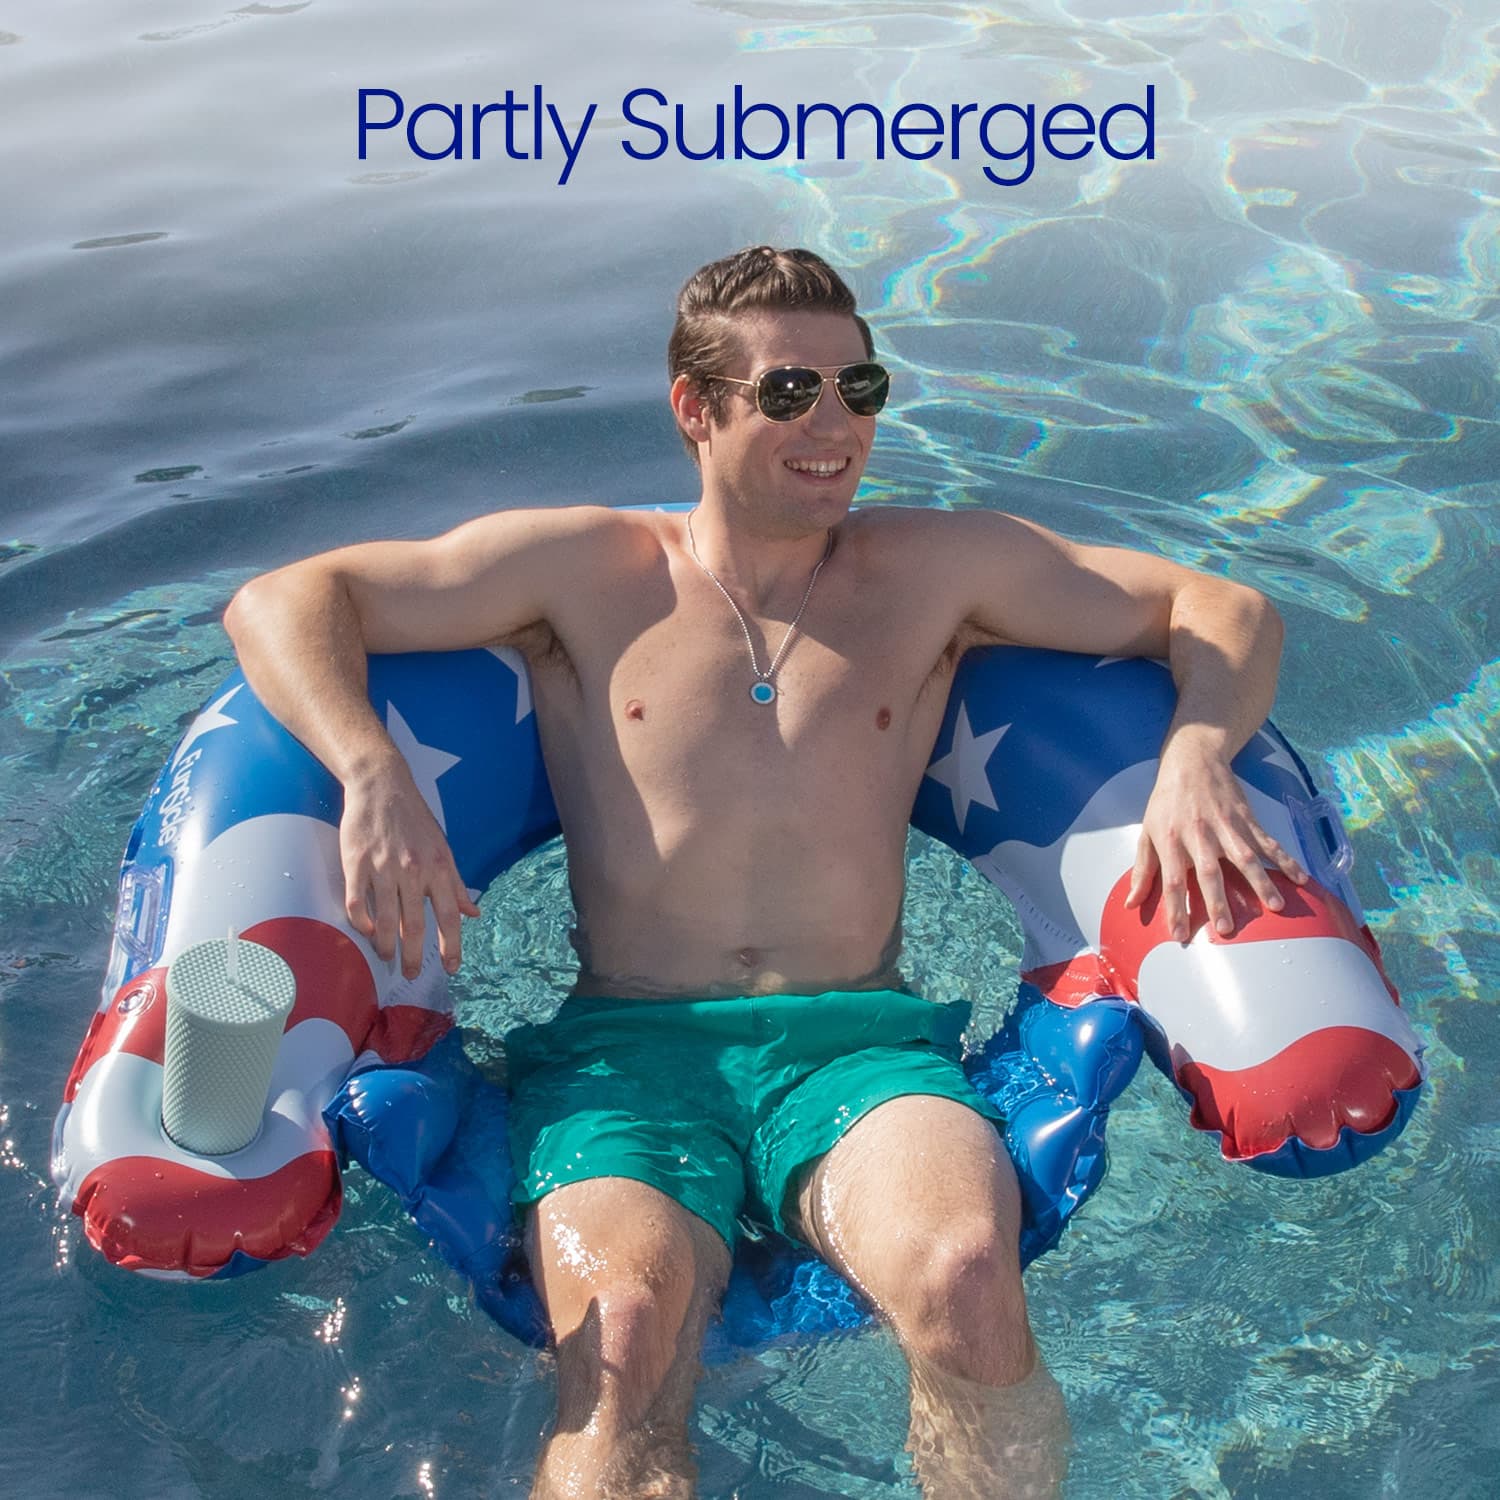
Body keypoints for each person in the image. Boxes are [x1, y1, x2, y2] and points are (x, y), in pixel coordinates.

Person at [224, 245, 1307, 1499]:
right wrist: (370, 771)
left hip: (857, 1045)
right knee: (622, 1341)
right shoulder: (587, 573)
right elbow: (285, 599)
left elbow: (1223, 609)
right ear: (697, 409)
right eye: (792, 393)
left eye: (864, 389)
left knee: (964, 1273)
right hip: (628, 1050)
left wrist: (1196, 757)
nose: (837, 427)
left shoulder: (937, 572)